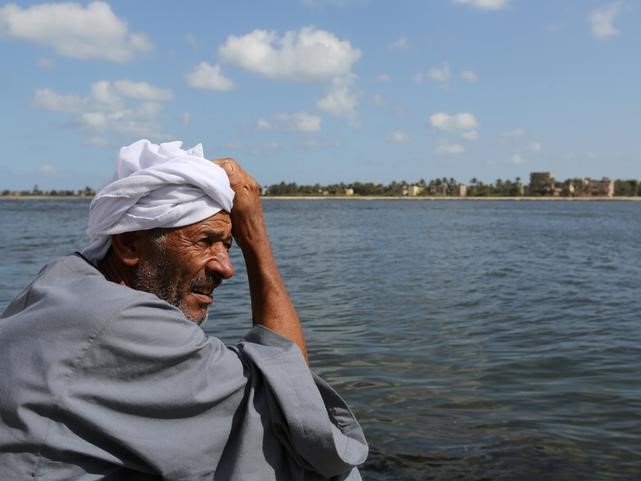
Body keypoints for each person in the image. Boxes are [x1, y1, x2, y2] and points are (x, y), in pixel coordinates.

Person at [0, 140, 368, 480]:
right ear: (129, 244)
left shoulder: (60, 281)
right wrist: (255, 239)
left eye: (229, 244)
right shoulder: (123, 323)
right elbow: (295, 418)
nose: (226, 267)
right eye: (205, 241)